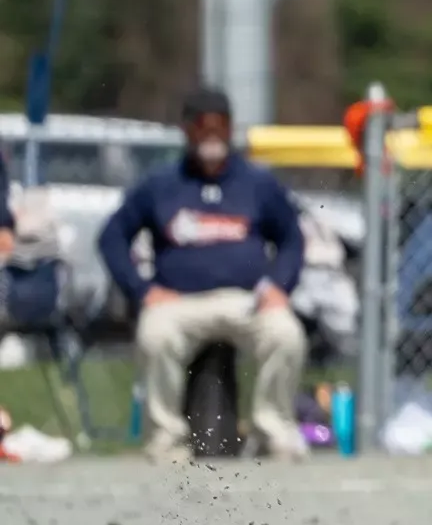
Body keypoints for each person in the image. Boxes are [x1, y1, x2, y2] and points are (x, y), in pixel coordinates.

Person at [97, 87, 309, 462]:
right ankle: (167, 439)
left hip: (246, 301)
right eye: (202, 126)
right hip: (180, 301)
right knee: (155, 333)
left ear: (230, 129)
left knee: (285, 333)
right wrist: (142, 290)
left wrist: (279, 285)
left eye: (220, 126)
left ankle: (272, 432)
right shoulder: (161, 184)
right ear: (187, 131)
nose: (212, 135)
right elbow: (112, 238)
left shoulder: (257, 183)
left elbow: (292, 237)